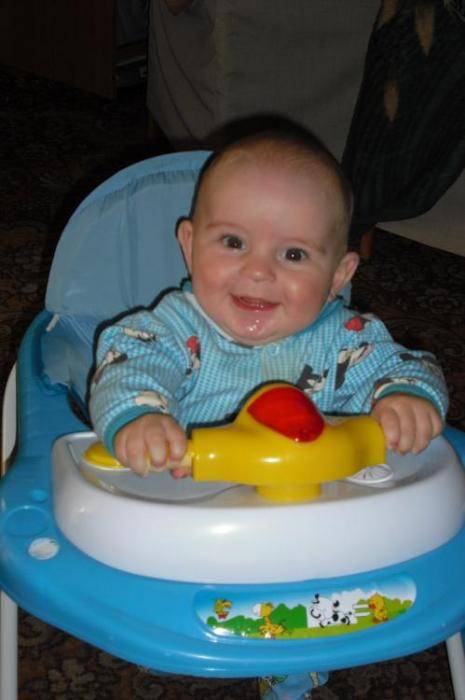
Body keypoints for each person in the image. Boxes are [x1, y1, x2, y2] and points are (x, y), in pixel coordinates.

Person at [89, 127, 447, 699]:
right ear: (189, 245)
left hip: (304, 525)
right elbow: (129, 364)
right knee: (150, 569)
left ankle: (290, 658)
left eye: (294, 254)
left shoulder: (346, 338)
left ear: (339, 275)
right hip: (193, 516)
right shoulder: (174, 328)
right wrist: (141, 419)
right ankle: (172, 622)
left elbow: (403, 365)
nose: (259, 271)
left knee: (340, 566)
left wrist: (405, 398)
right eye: (233, 242)